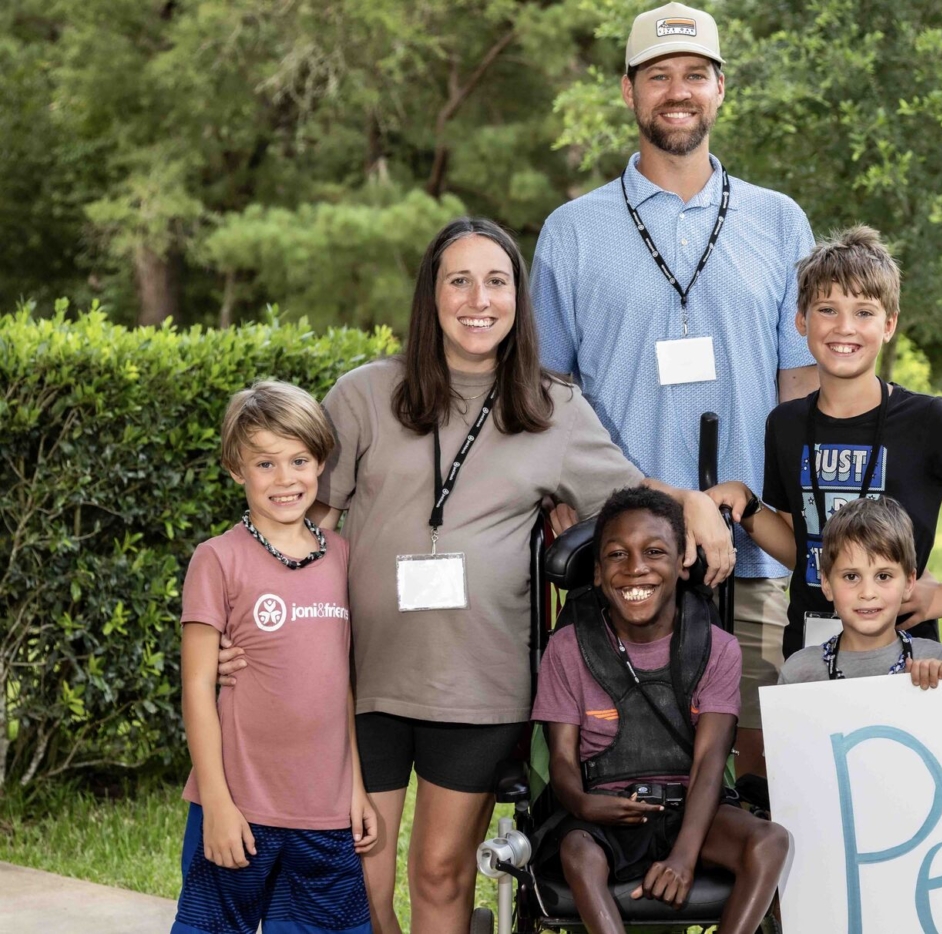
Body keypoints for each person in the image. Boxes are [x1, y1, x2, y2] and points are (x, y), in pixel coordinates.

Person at [216, 218, 733, 933]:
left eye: (496, 282)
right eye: (459, 280)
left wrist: (694, 504)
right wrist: (245, 622)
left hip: (481, 683)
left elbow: (630, 502)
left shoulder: (553, 410)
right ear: (431, 295)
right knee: (354, 874)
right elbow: (304, 524)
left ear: (518, 299)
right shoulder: (365, 394)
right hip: (360, 676)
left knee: (440, 870)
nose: (478, 299)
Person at [531, 1, 819, 776]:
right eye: (659, 76)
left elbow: (801, 391)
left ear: (722, 88)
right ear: (628, 92)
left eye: (695, 74)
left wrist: (793, 517)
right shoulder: (571, 231)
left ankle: (759, 905)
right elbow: (548, 396)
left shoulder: (780, 221)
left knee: (767, 777)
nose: (678, 91)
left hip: (756, 557)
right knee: (620, 768)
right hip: (618, 556)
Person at [708, 226, 942, 659]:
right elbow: (805, 550)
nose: (845, 327)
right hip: (808, 650)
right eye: (827, 309)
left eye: (864, 312)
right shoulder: (785, 424)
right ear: (801, 321)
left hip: (905, 656)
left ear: (889, 325)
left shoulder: (928, 421)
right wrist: (750, 508)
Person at [531, 486, 788, 934]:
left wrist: (684, 858)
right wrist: (584, 805)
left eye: (654, 552)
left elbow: (711, 759)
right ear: (596, 572)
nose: (635, 569)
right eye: (616, 555)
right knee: (577, 852)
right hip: (603, 809)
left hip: (691, 807)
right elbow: (561, 761)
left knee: (771, 841)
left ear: (680, 564)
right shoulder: (567, 647)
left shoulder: (717, 648)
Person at [173, 381, 374, 934]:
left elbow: (342, 683)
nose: (285, 479)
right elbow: (196, 687)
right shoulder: (215, 560)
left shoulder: (343, 557)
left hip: (325, 815)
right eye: (265, 463)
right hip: (239, 808)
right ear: (237, 469)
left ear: (321, 461)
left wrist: (353, 787)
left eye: (299, 460)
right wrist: (215, 801)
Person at [778, 497, 942, 687]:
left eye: (883, 576)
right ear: (827, 583)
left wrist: (939, 684)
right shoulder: (799, 673)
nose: (868, 593)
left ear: (909, 583)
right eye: (852, 577)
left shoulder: (935, 663)